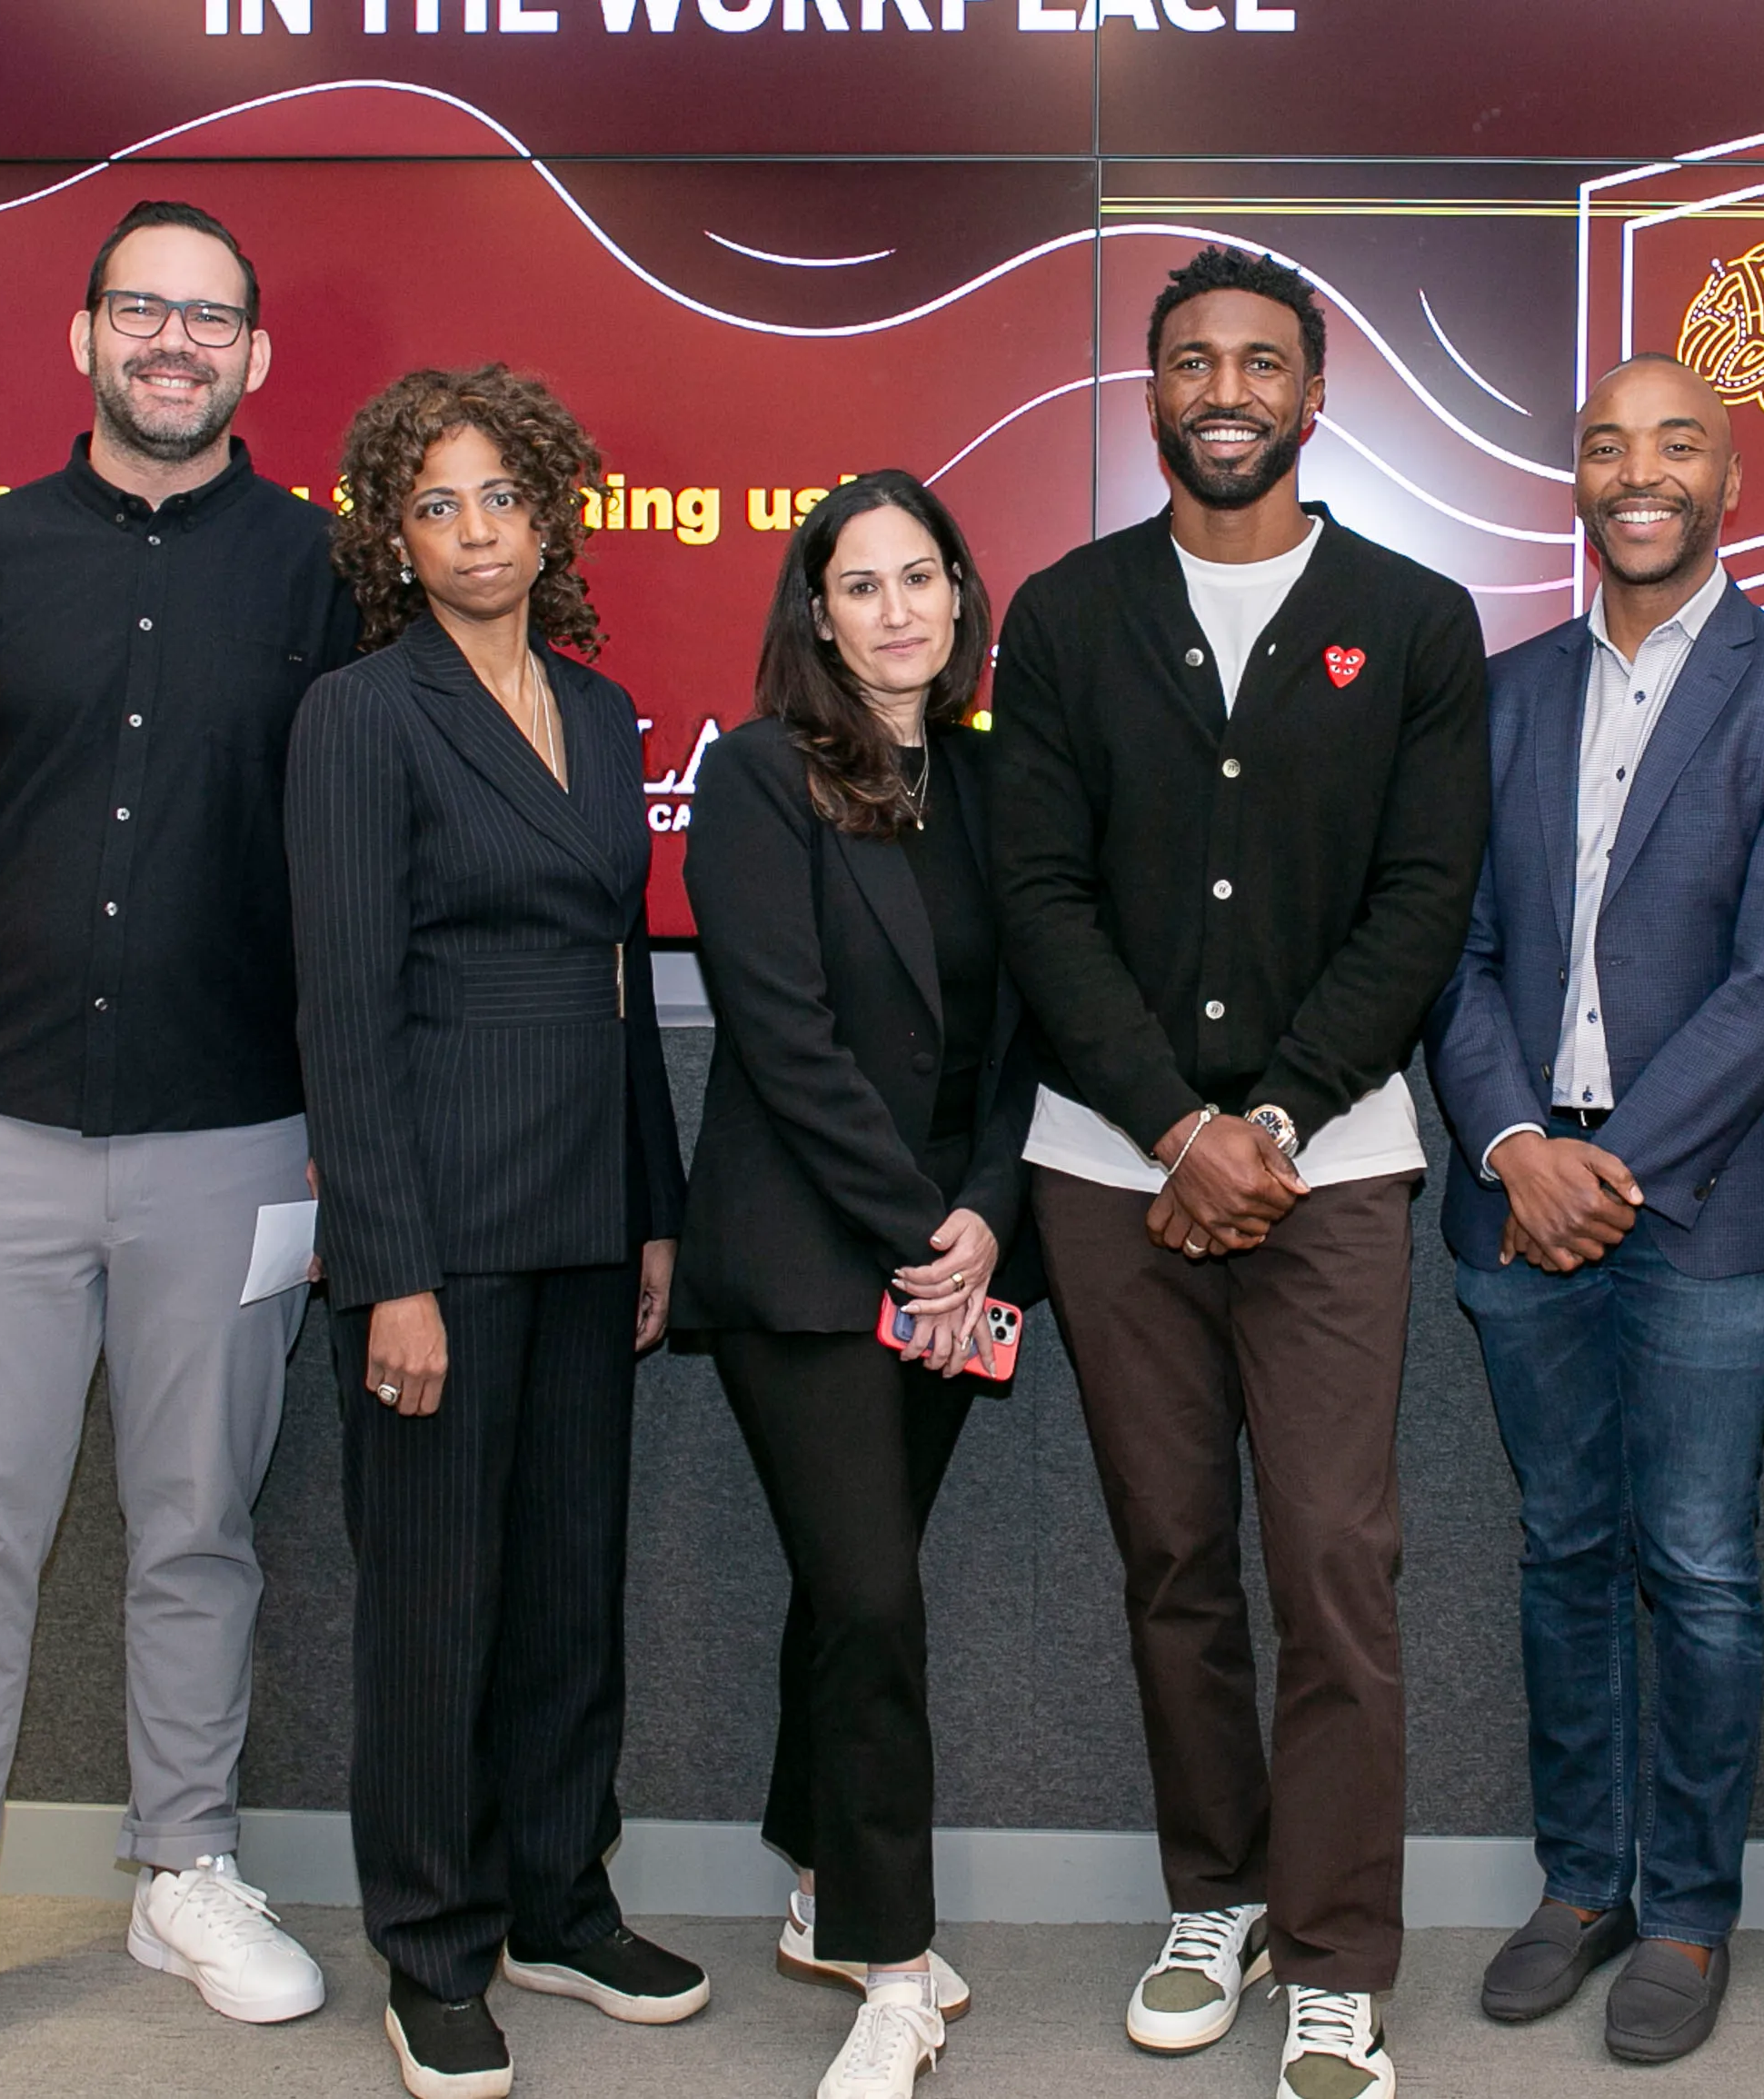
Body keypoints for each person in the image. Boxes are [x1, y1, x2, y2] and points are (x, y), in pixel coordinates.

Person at [0, 198, 347, 2099]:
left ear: (256, 360)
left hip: (239, 1145)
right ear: (85, 336)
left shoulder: (320, 574)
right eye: (145, 310)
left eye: (211, 318)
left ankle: (179, 1868)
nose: (175, 344)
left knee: (199, 1531)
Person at [991, 244, 1488, 2099]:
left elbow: (1419, 903)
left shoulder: (1412, 619)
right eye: (1190, 359)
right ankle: (1214, 1898)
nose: (1224, 388)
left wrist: (1262, 1122)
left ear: (1310, 390)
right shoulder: (1060, 613)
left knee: (1334, 1563)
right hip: (1102, 1171)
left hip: (1335, 1171)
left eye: (1258, 362)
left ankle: (1337, 1950)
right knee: (1173, 1558)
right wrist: (1165, 1126)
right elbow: (1032, 896)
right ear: (1150, 392)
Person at [1424, 355, 1764, 2063]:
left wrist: (1606, 1171)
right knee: (1562, 1548)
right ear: (1579, 484)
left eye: (1677, 443)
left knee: (1696, 1562)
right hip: (1514, 1191)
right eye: (1607, 443)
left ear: (1730, 480)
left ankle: (1687, 1909)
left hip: (1707, 1201)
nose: (1640, 470)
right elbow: (1448, 953)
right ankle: (1582, 1880)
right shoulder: (1501, 691)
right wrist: (1516, 1147)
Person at [285, 364, 703, 2099]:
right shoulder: (360, 717)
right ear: (396, 530)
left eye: (502, 497)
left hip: (588, 1219)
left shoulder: (602, 718)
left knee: (567, 1593)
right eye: (436, 502)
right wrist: (389, 1268)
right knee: (438, 1605)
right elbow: (343, 1009)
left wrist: (654, 1213)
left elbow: (622, 983)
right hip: (437, 1242)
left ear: (552, 515)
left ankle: (558, 1897)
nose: (474, 530)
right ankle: (437, 1945)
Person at [673, 470, 1046, 2099]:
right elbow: (783, 1034)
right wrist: (926, 1228)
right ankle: (894, 1964)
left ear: (963, 600)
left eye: (922, 578)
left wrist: (981, 1216)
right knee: (880, 1599)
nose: (896, 609)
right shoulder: (756, 775)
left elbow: (1024, 1033)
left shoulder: (990, 780)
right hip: (811, 1260)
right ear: (814, 612)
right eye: (860, 583)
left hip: (948, 1255)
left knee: (852, 1584)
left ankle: (821, 1877)